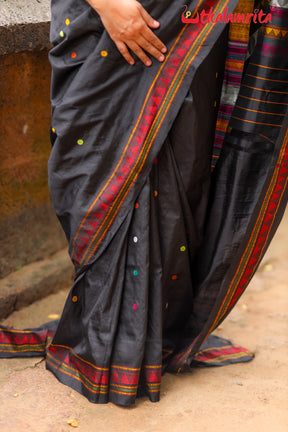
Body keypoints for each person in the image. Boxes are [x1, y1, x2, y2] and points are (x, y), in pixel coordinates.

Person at [0, 0, 288, 407]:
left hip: (194, 22)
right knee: (98, 169)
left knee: (182, 171)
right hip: (109, 21)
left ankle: (156, 335)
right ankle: (110, 335)